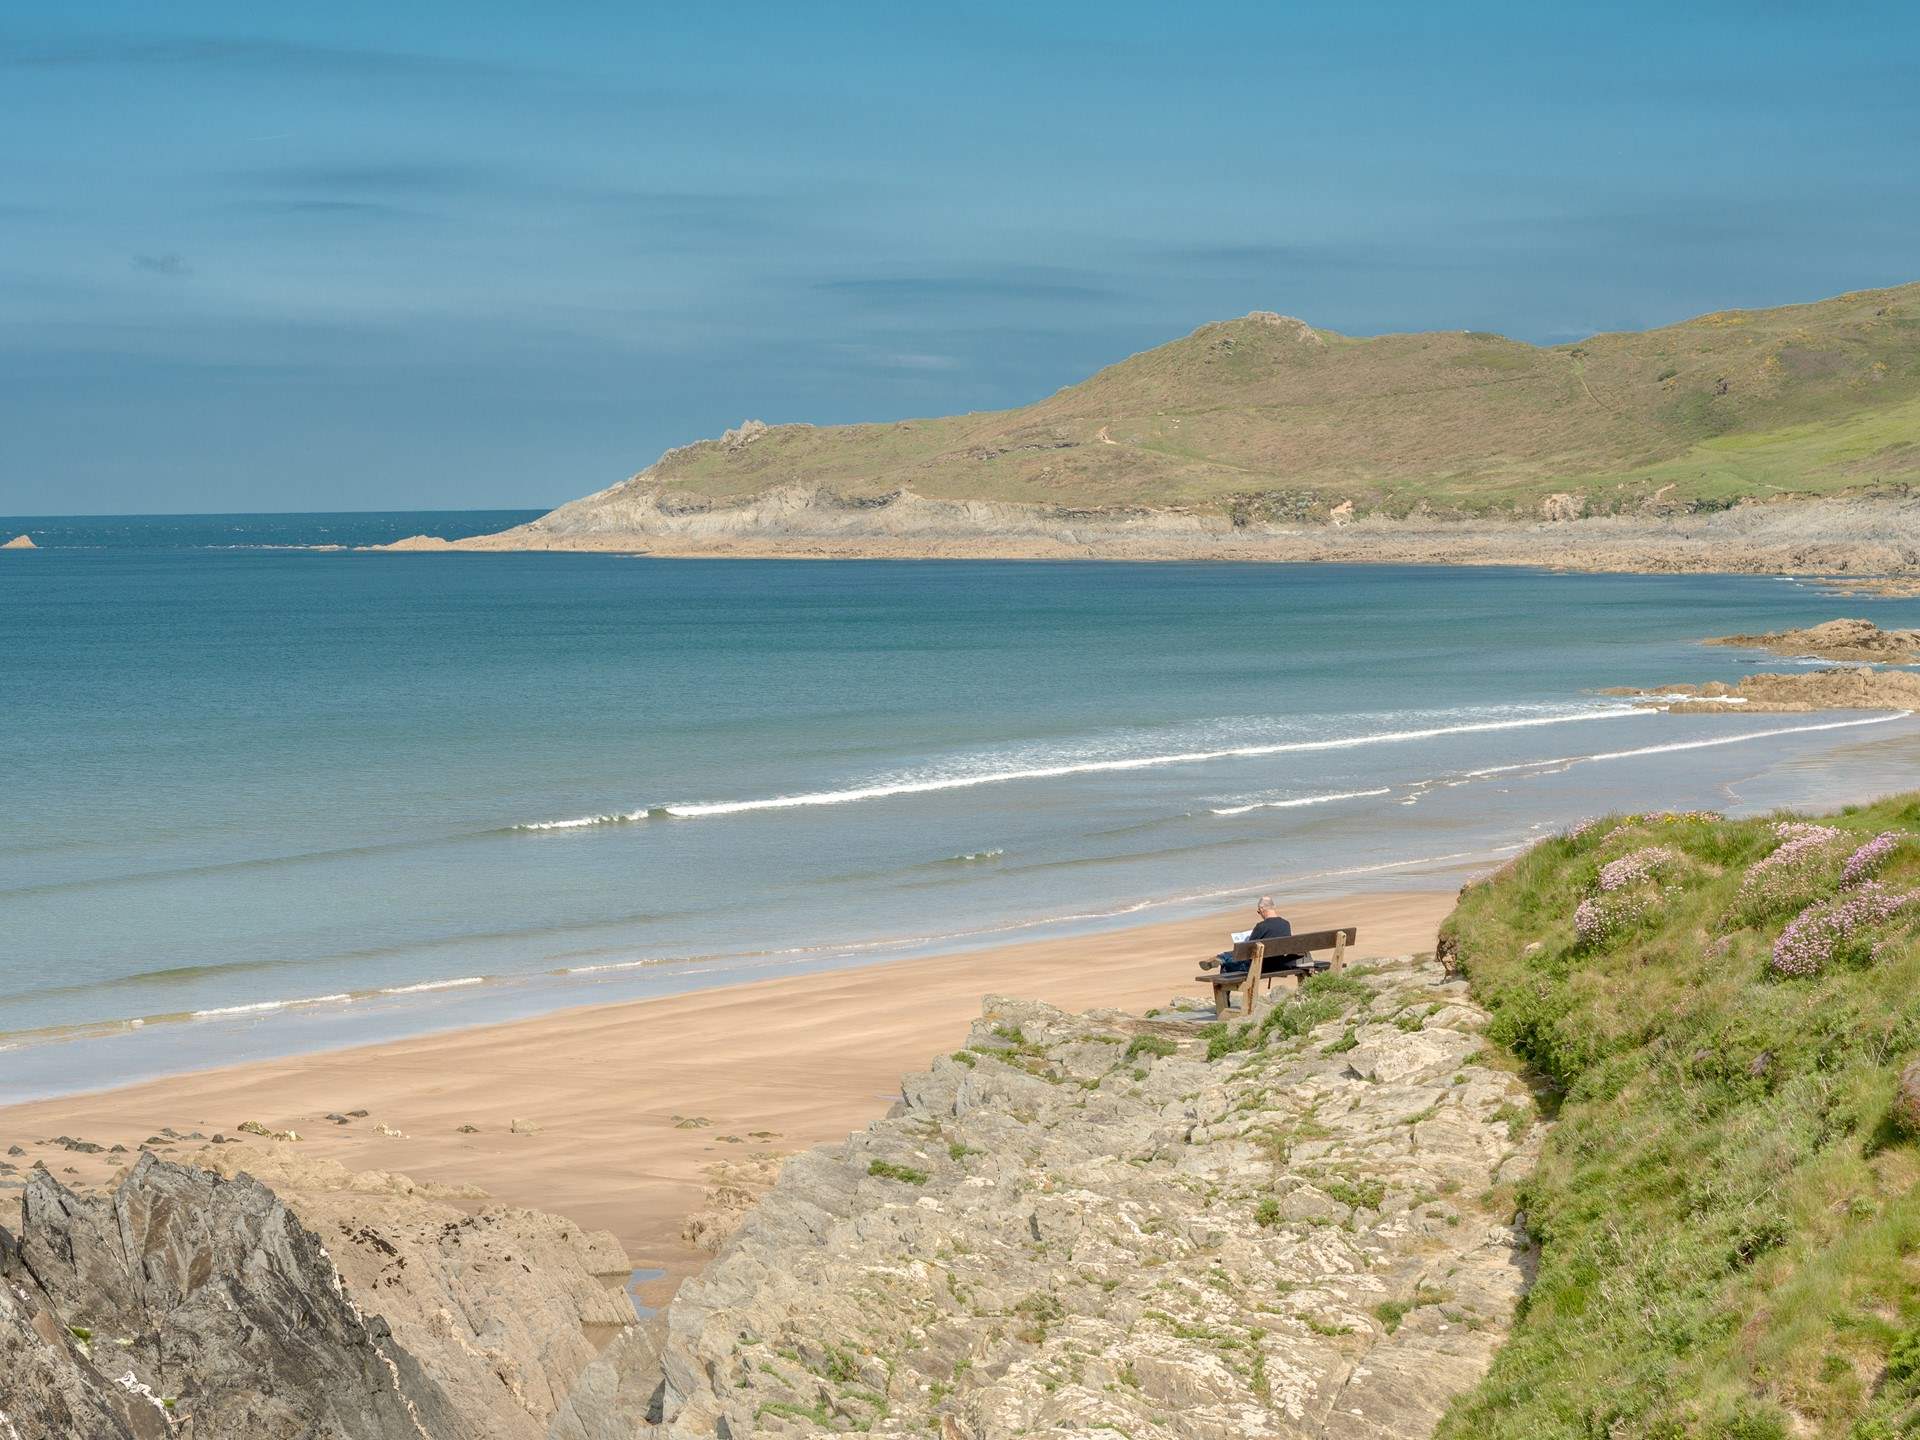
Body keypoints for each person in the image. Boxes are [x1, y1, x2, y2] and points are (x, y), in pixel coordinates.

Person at [1208, 897, 1295, 975]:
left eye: (1258, 912)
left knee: (1227, 964)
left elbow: (1247, 949)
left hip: (1260, 966)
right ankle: (1221, 957)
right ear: (1273, 907)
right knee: (1229, 956)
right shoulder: (1286, 924)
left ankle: (1220, 959)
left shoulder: (1261, 926)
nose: (1260, 914)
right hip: (1279, 964)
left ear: (1261, 909)